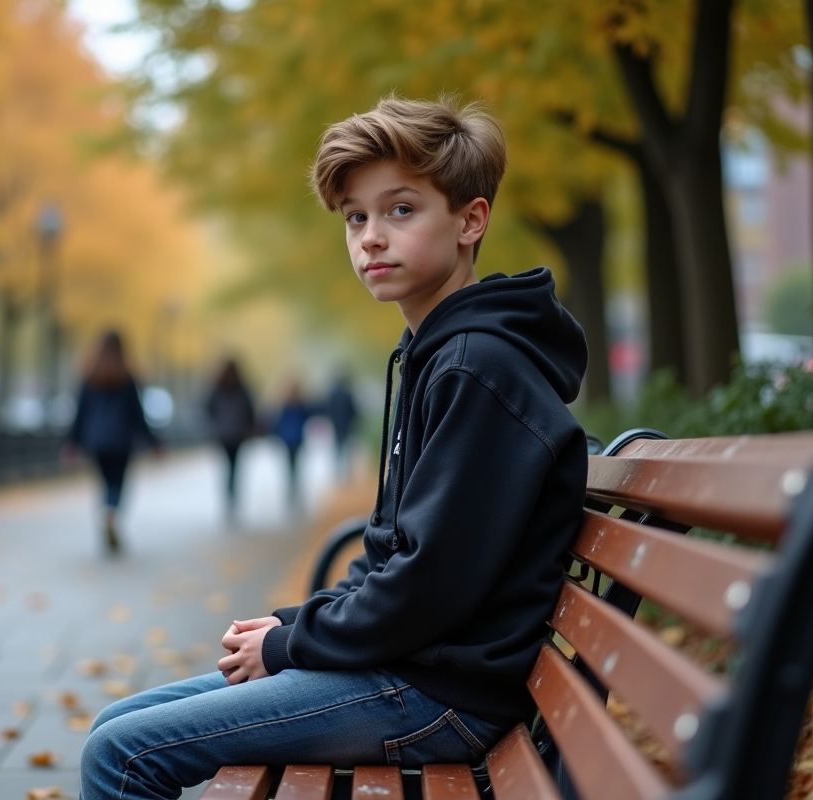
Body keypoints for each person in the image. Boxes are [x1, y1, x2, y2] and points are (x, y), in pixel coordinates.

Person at [79, 96, 588, 800]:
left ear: (470, 220)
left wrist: (290, 644)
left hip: (441, 694)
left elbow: (429, 584)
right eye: (357, 217)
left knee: (121, 755)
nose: (371, 237)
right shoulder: (439, 354)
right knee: (118, 720)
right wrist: (292, 624)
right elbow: (396, 555)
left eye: (400, 210)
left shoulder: (475, 367)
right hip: (415, 666)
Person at [63, 330, 158, 555]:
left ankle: (107, 512)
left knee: (105, 482)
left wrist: (71, 442)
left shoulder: (89, 376)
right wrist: (153, 442)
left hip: (95, 440)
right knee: (118, 483)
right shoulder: (128, 377)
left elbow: (80, 413)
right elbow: (138, 414)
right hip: (122, 439)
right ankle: (111, 513)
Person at [205, 358, 257, 521]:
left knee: (228, 467)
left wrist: (217, 423)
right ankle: (232, 496)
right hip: (237, 434)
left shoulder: (217, 387)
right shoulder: (242, 388)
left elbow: (208, 408)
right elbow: (250, 411)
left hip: (224, 433)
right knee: (234, 467)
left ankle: (229, 496)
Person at [272, 379, 311, 509]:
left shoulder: (286, 405)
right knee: (295, 467)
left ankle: (292, 492)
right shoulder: (300, 405)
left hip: (289, 439)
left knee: (291, 468)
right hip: (295, 439)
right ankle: (293, 491)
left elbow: (279, 423)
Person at [326, 373, 359, 480]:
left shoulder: (333, 395)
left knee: (338, 448)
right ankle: (347, 473)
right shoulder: (348, 394)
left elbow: (329, 410)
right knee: (347, 448)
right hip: (347, 425)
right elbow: (353, 410)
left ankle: (338, 472)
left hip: (336, 424)